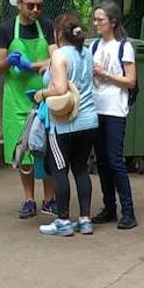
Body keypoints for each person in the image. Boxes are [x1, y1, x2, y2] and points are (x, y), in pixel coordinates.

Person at [34, 14, 99, 237]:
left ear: (58, 34)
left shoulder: (60, 55)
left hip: (64, 123)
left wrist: (42, 93)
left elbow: (61, 89)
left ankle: (62, 221)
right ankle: (85, 219)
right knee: (80, 168)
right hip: (89, 120)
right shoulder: (87, 53)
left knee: (60, 169)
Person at [0, 0, 55, 218]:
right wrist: (10, 61)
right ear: (19, 4)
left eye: (39, 6)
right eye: (30, 6)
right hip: (16, 100)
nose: (36, 10)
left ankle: (50, 198)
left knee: (47, 149)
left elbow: (56, 57)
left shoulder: (47, 26)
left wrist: (31, 66)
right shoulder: (7, 29)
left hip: (46, 98)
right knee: (24, 151)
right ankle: (29, 199)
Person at [89, 2, 137, 230]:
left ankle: (128, 211)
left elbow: (131, 81)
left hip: (115, 110)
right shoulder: (94, 46)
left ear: (113, 22)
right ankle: (109, 207)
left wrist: (105, 73)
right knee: (102, 161)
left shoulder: (124, 47)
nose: (96, 23)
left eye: (100, 19)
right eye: (95, 19)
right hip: (95, 108)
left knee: (116, 160)